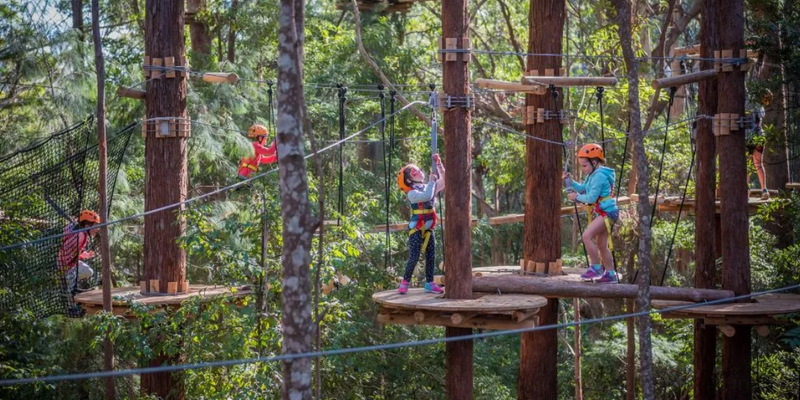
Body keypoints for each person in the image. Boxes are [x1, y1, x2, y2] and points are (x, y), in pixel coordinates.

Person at [563, 144, 619, 283]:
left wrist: (576, 197)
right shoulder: (592, 175)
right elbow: (583, 189)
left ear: (594, 163)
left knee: (586, 236)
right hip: (606, 211)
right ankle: (610, 274)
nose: (583, 169)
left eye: (584, 166)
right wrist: (570, 181)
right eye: (581, 166)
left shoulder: (599, 176)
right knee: (601, 245)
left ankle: (596, 267)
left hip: (608, 212)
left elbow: (591, 198)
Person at [397, 154, 445, 295]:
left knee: (431, 255)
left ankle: (429, 282)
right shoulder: (412, 193)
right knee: (414, 256)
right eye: (414, 172)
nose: (419, 172)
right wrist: (431, 181)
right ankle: (405, 282)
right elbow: (426, 196)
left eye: (418, 170)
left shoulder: (429, 186)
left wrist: (439, 165)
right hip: (416, 228)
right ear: (409, 180)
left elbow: (444, 181)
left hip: (429, 228)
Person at [58, 209, 100, 293]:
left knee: (88, 271)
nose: (97, 229)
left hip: (69, 262)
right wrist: (67, 268)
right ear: (87, 226)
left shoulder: (79, 230)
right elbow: (67, 250)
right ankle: (66, 282)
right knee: (70, 293)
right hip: (66, 265)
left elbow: (71, 250)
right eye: (95, 226)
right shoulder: (81, 236)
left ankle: (69, 282)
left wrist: (84, 255)